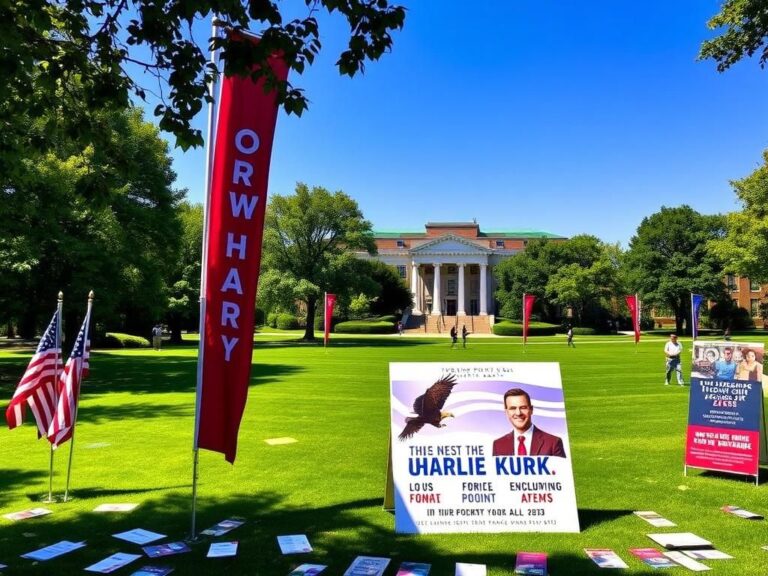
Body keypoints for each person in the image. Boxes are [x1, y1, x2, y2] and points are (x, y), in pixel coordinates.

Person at [492, 388, 566, 457]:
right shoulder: (498, 445)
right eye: (513, 408)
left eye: (523, 407)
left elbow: (562, 471)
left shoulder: (553, 443)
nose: (518, 413)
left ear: (531, 410)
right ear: (506, 412)